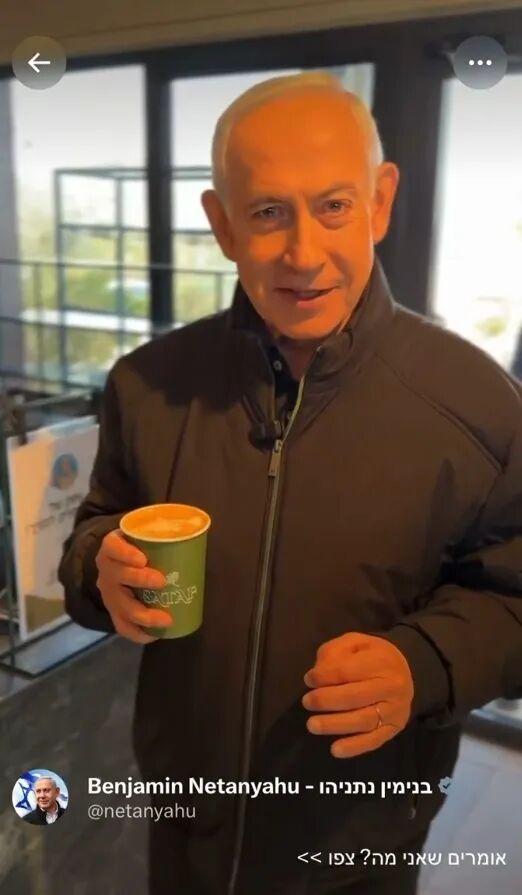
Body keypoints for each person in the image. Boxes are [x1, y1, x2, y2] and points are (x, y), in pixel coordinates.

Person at [58, 71, 522, 894]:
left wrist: (425, 663)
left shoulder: (479, 405)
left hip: (358, 843)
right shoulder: (146, 384)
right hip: (185, 822)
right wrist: (100, 566)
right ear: (222, 225)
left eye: (334, 206)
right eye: (268, 212)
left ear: (380, 202)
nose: (303, 255)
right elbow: (96, 528)